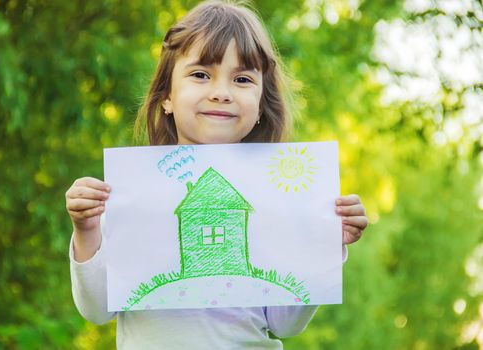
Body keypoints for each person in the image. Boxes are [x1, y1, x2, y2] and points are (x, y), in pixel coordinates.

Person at [65, 1, 368, 349]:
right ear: (166, 96)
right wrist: (85, 229)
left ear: (260, 106)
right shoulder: (134, 194)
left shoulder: (277, 200)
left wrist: (323, 244)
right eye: (200, 75)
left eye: (241, 79)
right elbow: (97, 310)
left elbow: (285, 324)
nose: (221, 93)